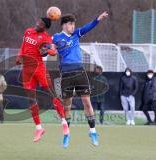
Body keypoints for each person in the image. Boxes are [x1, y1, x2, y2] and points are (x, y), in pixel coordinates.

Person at [53, 12, 108, 147]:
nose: (73, 26)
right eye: (71, 24)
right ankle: (67, 134)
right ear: (64, 25)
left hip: (79, 72)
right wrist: (48, 50)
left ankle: (93, 131)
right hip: (66, 73)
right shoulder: (55, 37)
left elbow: (87, 27)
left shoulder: (76, 34)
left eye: (74, 24)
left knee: (87, 102)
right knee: (67, 105)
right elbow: (48, 48)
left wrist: (97, 19)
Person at [16, 17, 69, 144]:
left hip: (39, 69)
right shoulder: (28, 31)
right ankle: (39, 128)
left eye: (41, 23)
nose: (37, 23)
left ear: (44, 27)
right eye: (38, 21)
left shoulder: (46, 37)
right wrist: (19, 56)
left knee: (51, 93)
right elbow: (23, 46)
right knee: (31, 99)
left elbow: (52, 51)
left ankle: (63, 121)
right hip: (27, 70)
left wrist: (47, 50)